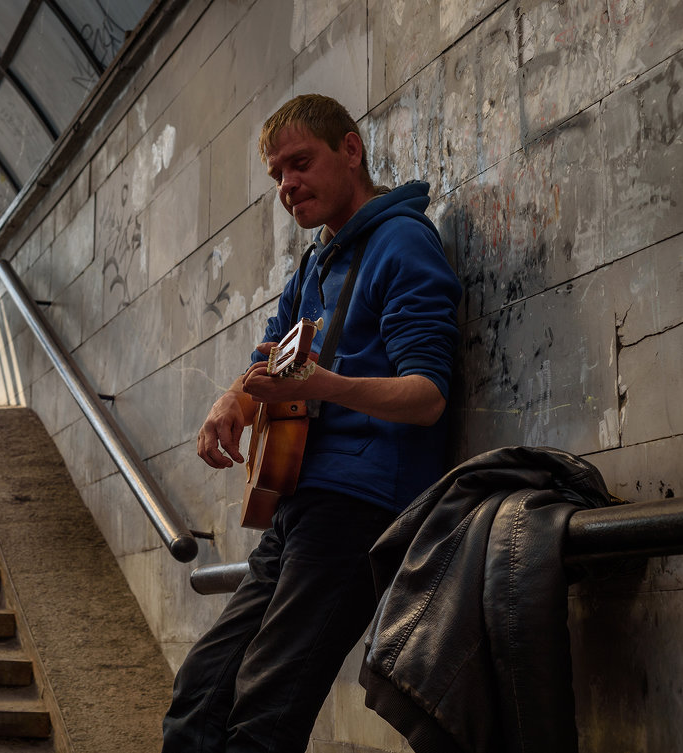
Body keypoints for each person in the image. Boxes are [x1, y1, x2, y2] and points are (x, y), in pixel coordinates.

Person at [161, 94, 462, 753]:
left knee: (264, 710)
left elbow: (427, 395)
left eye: (300, 163)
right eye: (276, 175)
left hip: (363, 509)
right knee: (201, 690)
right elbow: (271, 359)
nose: (287, 185)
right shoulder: (316, 264)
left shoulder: (403, 243)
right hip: (301, 502)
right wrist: (231, 403)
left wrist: (323, 385)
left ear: (350, 151)